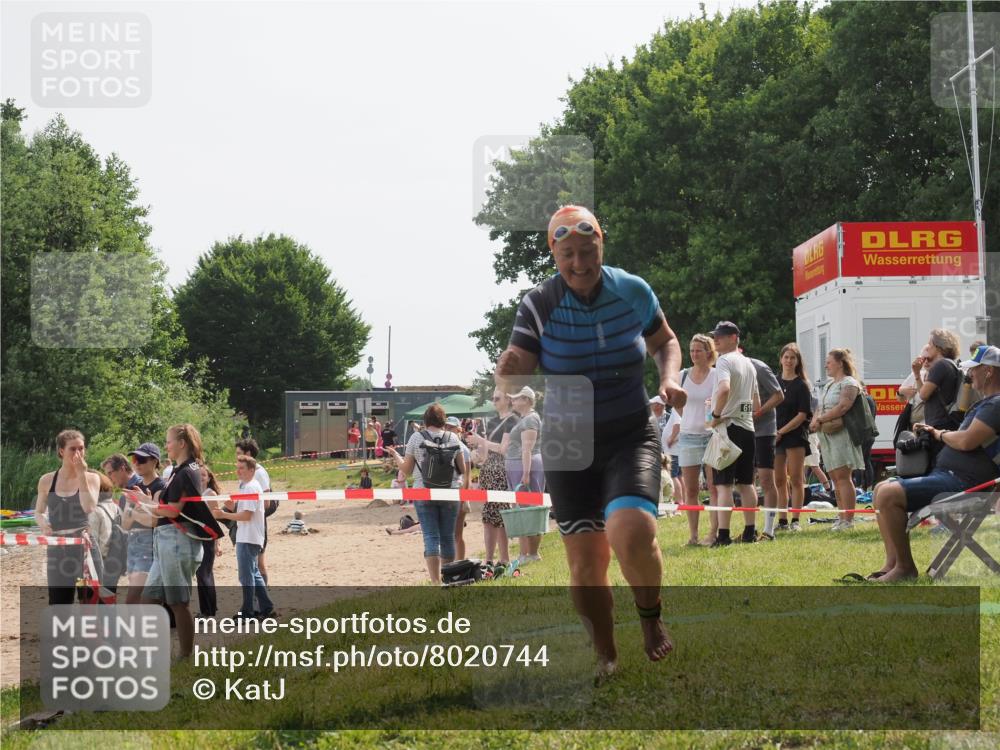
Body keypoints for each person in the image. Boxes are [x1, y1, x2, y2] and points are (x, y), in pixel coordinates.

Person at [496, 205, 686, 673]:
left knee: (632, 530)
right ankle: (605, 652)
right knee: (585, 565)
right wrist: (511, 367)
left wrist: (669, 378)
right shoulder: (538, 303)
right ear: (553, 254)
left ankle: (649, 618)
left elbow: (665, 341)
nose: (579, 263)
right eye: (568, 255)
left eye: (588, 251)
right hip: (568, 441)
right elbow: (521, 357)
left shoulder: (633, 290)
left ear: (602, 243)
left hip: (628, 431)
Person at [872, 344, 1000, 581]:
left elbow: (966, 442)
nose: (970, 375)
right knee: (880, 488)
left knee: (888, 495)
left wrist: (939, 434)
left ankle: (905, 569)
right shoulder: (987, 403)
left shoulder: (996, 404)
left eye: (974, 369)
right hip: (951, 476)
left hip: (965, 483)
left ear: (989, 371)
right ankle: (892, 563)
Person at [135, 424, 223, 658]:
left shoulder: (187, 471)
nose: (167, 446)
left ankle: (186, 655)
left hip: (176, 540)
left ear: (182, 443)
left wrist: (146, 503)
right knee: (149, 599)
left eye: (169, 441)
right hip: (167, 540)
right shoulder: (184, 469)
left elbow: (173, 511)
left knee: (178, 602)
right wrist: (147, 501)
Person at [387, 404, 469, 584]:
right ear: (443, 420)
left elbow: (407, 470)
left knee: (431, 536)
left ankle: (435, 582)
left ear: (425, 420)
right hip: (450, 492)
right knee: (448, 536)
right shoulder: (453, 438)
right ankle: (448, 578)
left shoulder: (416, 438)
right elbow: (462, 469)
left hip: (423, 491)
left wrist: (395, 456)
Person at [707, 322, 760, 546]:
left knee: (724, 485)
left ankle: (724, 535)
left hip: (728, 429)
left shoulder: (724, 361)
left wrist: (717, 414)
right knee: (746, 483)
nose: (716, 340)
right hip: (747, 428)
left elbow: (725, 388)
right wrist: (739, 411)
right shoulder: (749, 364)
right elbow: (756, 403)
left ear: (734, 338)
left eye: (721, 336)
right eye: (715, 336)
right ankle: (750, 532)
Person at [35, 430, 101, 605]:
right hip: (58, 548)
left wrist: (81, 474)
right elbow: (39, 511)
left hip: (84, 546)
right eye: (73, 449)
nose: (78, 453)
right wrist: (44, 525)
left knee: (90, 599)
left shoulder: (92, 478)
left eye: (81, 448)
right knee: (59, 602)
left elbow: (89, 506)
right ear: (61, 451)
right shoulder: (47, 480)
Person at [213, 455, 275, 619]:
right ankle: (266, 606)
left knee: (246, 576)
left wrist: (223, 514)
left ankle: (248, 611)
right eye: (237, 467)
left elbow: (246, 516)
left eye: (241, 468)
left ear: (251, 470)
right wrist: (230, 506)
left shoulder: (250, 487)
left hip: (248, 537)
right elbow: (243, 512)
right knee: (253, 573)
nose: (237, 471)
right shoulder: (248, 486)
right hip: (250, 536)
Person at [810, 349, 864, 530]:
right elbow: (820, 407)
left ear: (840, 363)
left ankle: (848, 520)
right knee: (834, 477)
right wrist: (815, 421)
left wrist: (821, 420)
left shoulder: (850, 383)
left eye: (829, 362)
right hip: (826, 436)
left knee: (843, 477)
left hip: (842, 436)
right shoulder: (828, 385)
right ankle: (841, 517)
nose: (826, 365)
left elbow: (843, 407)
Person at [675, 334, 720, 545]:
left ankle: (713, 533)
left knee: (714, 488)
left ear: (709, 352)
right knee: (691, 490)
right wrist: (687, 418)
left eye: (698, 350)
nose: (694, 354)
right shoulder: (682, 375)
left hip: (712, 436)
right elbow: (675, 401)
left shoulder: (717, 374)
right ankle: (693, 536)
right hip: (688, 437)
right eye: (691, 350)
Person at [467, 389, 519, 569]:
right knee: (488, 515)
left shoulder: (512, 420)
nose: (494, 401)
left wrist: (481, 440)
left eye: (497, 398)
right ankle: (489, 559)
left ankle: (504, 558)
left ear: (508, 399)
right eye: (493, 398)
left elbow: (503, 449)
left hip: (502, 469)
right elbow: (486, 452)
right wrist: (475, 451)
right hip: (489, 469)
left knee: (501, 514)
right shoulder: (492, 422)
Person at [773, 343, 812, 532]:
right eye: (786, 357)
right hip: (775, 436)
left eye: (792, 358)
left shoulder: (801, 385)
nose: (788, 361)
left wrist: (782, 431)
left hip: (794, 435)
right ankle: (782, 520)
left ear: (797, 362)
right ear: (781, 359)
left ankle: (795, 520)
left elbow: (802, 415)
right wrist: (774, 432)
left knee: (796, 478)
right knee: (779, 480)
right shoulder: (774, 382)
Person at [121, 443, 165, 604]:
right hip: (134, 545)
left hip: (151, 546)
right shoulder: (135, 487)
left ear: (155, 461)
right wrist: (138, 513)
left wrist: (135, 513)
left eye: (141, 459)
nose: (136, 463)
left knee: (134, 599)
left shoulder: (160, 487)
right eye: (134, 459)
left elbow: (154, 521)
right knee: (142, 598)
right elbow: (125, 523)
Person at [505, 386, 545, 563]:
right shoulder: (526, 419)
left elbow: (527, 450)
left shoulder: (530, 419)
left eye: (516, 398)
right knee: (522, 509)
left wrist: (526, 473)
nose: (512, 401)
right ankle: (525, 554)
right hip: (520, 467)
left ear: (527, 400)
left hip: (525, 467)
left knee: (530, 509)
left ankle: (532, 553)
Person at [747, 352, 784, 541]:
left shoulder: (758, 367)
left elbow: (779, 395)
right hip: (742, 430)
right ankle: (750, 529)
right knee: (745, 481)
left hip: (764, 431)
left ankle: (769, 530)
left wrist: (759, 412)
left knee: (766, 480)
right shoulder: (723, 367)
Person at [235, 439, 273, 586]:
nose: (236, 457)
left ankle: (262, 598)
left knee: (259, 563)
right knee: (253, 564)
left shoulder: (260, 473)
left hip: (256, 523)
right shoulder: (244, 474)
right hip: (245, 524)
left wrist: (250, 512)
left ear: (248, 454)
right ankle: (262, 600)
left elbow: (267, 502)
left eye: (239, 453)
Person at [195, 466, 223, 620]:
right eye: (198, 475)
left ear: (209, 477)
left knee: (203, 573)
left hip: (209, 538)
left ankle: (208, 611)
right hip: (198, 537)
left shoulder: (210, 494)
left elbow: (215, 520)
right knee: (204, 573)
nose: (201, 478)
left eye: (203, 475)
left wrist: (217, 543)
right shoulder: (196, 493)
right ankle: (209, 608)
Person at [445, 416, 474, 559]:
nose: (447, 429)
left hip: (458, 493)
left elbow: (467, 476)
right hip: (447, 493)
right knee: (449, 534)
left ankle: (460, 564)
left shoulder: (463, 449)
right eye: (446, 427)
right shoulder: (443, 445)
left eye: (451, 427)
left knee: (457, 534)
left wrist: (465, 498)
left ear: (459, 429)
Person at [87, 472, 120, 591]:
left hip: (100, 563)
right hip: (115, 558)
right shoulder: (115, 506)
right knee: (109, 598)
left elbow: (92, 542)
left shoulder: (95, 511)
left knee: (93, 601)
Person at [661, 406, 684, 514]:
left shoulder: (677, 408)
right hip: (677, 449)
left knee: (673, 476)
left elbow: (678, 424)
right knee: (679, 476)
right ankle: (683, 502)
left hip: (673, 450)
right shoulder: (682, 408)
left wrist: (671, 439)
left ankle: (679, 502)